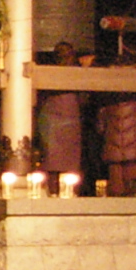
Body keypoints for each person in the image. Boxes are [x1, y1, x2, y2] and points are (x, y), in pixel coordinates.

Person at [36, 41, 86, 181]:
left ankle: (70, 189)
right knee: (52, 160)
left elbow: (83, 99)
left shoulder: (78, 74)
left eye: (68, 54)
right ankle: (51, 189)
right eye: (61, 54)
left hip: (71, 121)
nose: (65, 58)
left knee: (71, 162)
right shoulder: (49, 73)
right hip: (52, 121)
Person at [98, 94, 136, 196]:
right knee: (133, 184)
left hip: (113, 148)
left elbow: (100, 127)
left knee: (116, 183)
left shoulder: (106, 103)